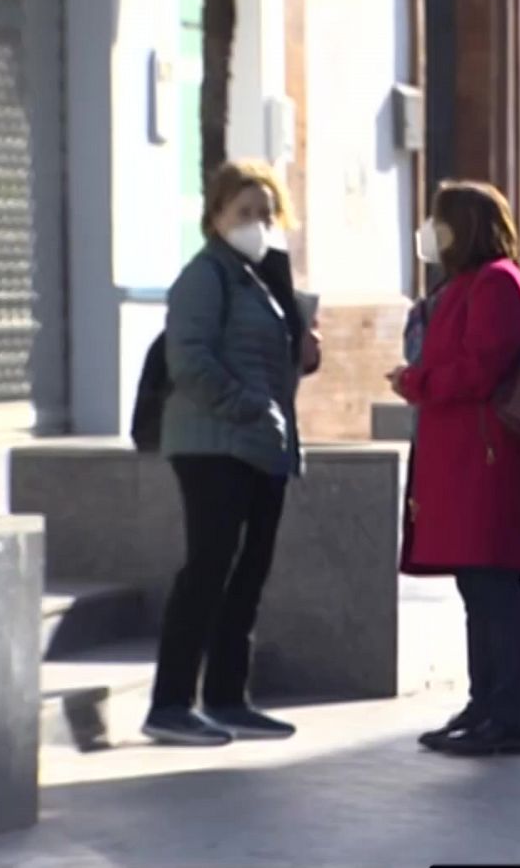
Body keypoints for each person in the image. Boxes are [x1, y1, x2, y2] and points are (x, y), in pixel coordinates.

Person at [143, 159, 320, 746]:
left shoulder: (261, 281)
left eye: (266, 213)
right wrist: (245, 405)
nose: (257, 224)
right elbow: (189, 360)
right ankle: (170, 703)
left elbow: (269, 362)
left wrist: (301, 347)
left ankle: (226, 696)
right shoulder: (204, 277)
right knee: (209, 569)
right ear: (215, 217)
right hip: (212, 443)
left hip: (261, 446)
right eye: (244, 212)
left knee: (247, 574)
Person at [389, 180, 520, 757]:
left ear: (466, 226)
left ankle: (508, 716)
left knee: (496, 585)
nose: (430, 233)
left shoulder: (498, 284)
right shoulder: (463, 285)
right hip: (462, 462)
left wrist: (416, 382)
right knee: (475, 586)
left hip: (490, 463)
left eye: (440, 220)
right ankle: (484, 704)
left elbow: (480, 369)